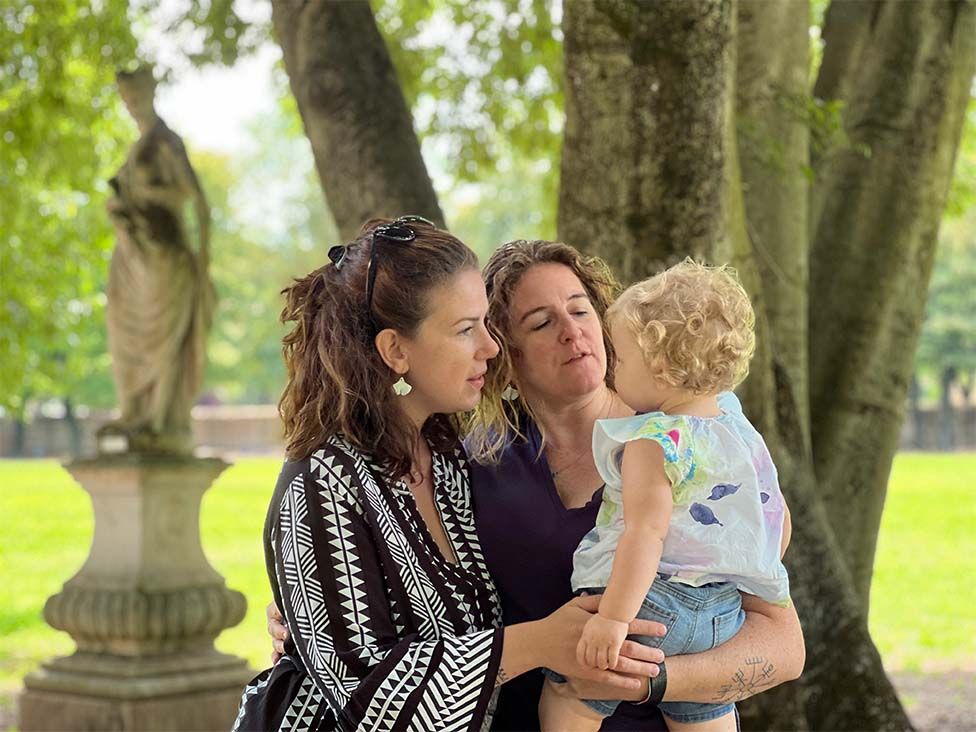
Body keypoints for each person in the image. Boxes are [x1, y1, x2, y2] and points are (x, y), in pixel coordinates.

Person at [268, 239, 806, 731]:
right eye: (541, 322)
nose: (573, 332)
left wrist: (651, 683)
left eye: (580, 309)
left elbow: (784, 644)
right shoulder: (471, 463)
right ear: (509, 350)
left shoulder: (695, 446)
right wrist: (310, 607)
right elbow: (403, 605)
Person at [236, 219, 663, 732]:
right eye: (465, 330)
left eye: (487, 324)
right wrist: (539, 642)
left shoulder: (451, 463)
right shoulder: (322, 482)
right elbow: (367, 703)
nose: (490, 347)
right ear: (396, 351)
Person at [537, 260, 792, 732]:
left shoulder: (654, 439)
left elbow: (645, 534)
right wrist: (748, 570)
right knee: (706, 712)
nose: (612, 369)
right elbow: (773, 514)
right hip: (721, 616)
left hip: (649, 609)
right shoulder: (735, 424)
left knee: (570, 694)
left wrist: (613, 620)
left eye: (622, 359)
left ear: (660, 368)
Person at [99, 66, 215, 455]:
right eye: (125, 99)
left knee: (166, 337)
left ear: (150, 94)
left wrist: (204, 261)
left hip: (165, 254)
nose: (131, 105)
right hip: (133, 256)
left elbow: (197, 202)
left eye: (136, 97)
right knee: (122, 331)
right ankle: (135, 412)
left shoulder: (166, 141)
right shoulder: (137, 147)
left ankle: (161, 420)